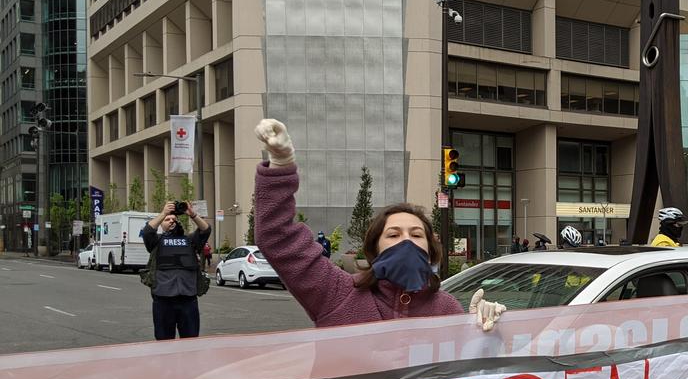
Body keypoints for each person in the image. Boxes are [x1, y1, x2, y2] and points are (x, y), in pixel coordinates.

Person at [253, 119, 505, 330]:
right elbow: (277, 237)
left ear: (431, 249)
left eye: (416, 235)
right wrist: (281, 163)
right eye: (393, 235)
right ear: (374, 249)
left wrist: (480, 329)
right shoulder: (337, 292)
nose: (406, 241)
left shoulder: (447, 309)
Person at [142, 201, 211, 340]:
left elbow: (206, 229)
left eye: (174, 219)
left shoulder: (190, 241)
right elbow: (147, 231)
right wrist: (164, 213)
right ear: (161, 224)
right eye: (167, 220)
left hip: (188, 298)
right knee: (164, 341)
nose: (171, 221)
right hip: (163, 299)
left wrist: (193, 215)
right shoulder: (156, 242)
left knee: (190, 341)